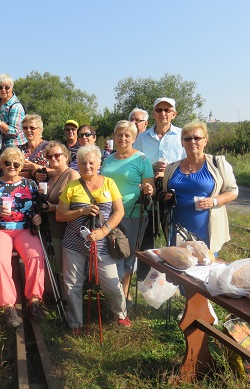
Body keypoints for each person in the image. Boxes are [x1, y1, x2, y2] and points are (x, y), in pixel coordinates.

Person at [56, 145, 130, 333]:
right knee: (72, 284)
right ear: (77, 165)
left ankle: (120, 314)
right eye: (83, 163)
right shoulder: (72, 186)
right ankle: (76, 323)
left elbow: (119, 211)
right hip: (74, 242)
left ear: (99, 163)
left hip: (102, 243)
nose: (87, 166)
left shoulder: (109, 183)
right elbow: (60, 215)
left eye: (91, 163)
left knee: (112, 284)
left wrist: (104, 231)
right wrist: (81, 211)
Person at [0, 147, 45, 328]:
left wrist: (39, 216)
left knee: (36, 255)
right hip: (0, 228)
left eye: (16, 163)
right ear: (1, 164)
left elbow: (38, 207)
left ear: (21, 165)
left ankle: (35, 299)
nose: (11, 166)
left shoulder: (30, 185)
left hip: (25, 228)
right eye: (7, 163)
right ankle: (7, 305)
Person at [101, 120, 155, 306]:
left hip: (132, 213)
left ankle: (124, 292)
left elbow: (150, 187)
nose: (123, 138)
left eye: (127, 135)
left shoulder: (142, 159)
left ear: (134, 137)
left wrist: (148, 189)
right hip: (109, 212)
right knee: (111, 250)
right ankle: (112, 289)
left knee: (128, 253)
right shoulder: (107, 159)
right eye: (119, 134)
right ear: (114, 136)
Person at [163, 120, 238, 252]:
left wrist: (214, 201)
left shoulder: (217, 164)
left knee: (204, 269)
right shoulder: (171, 167)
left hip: (206, 231)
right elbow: (164, 193)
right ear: (182, 142)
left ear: (205, 141)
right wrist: (165, 197)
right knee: (177, 266)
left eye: (197, 138)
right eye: (187, 139)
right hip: (177, 230)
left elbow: (233, 191)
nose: (192, 142)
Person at [132, 97, 186, 280]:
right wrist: (150, 169)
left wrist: (169, 170)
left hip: (172, 191)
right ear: (154, 113)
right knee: (146, 235)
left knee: (173, 236)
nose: (163, 113)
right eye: (159, 110)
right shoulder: (142, 138)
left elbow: (187, 162)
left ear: (174, 114)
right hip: (148, 189)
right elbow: (136, 161)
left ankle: (175, 279)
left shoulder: (181, 135)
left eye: (167, 110)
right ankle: (145, 277)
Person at [39, 142, 80, 297]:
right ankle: (59, 297)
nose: (53, 158)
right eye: (50, 156)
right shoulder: (53, 177)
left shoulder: (72, 175)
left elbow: (77, 206)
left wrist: (52, 207)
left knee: (66, 268)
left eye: (57, 155)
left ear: (66, 157)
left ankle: (69, 302)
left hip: (65, 229)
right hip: (52, 228)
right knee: (58, 266)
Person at [0, 74, 26, 177]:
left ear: (12, 87)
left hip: (13, 149)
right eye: (0, 87)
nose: (3, 90)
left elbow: (13, 132)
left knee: (11, 177)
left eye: (7, 87)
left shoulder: (16, 106)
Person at [19, 114, 50, 182]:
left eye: (32, 128)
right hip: (22, 189)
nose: (28, 130)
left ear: (40, 130)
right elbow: (10, 171)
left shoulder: (49, 148)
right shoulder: (19, 150)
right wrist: (32, 173)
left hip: (45, 188)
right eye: (25, 128)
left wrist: (36, 167)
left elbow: (58, 171)